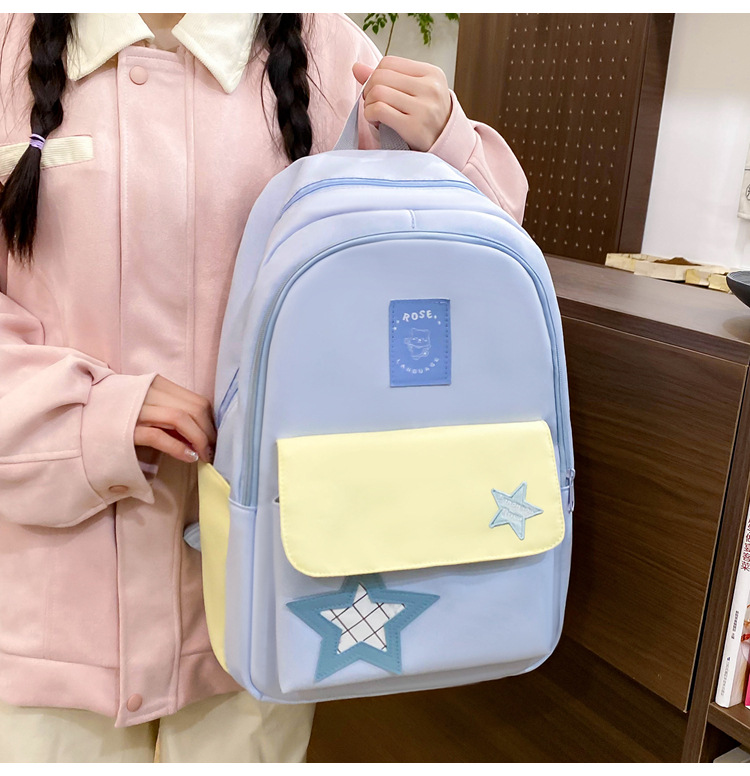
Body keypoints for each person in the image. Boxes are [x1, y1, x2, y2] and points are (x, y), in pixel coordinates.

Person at [0, 12, 528, 763]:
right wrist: (91, 413)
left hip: (271, 596)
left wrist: (448, 144)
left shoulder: (324, 47)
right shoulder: (11, 46)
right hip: (48, 611)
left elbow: (473, 273)